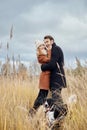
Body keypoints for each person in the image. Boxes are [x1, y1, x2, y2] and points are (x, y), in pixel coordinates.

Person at [29, 40, 52, 114]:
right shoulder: (41, 55)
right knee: (42, 96)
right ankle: (33, 111)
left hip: (46, 78)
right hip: (44, 78)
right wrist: (50, 50)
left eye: (43, 45)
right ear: (38, 48)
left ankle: (34, 111)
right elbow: (49, 60)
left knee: (42, 95)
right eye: (41, 45)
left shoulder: (44, 53)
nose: (43, 46)